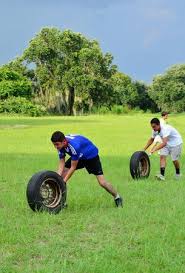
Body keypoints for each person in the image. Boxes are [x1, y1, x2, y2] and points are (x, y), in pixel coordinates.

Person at [51, 131, 123, 207]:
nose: (56, 147)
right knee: (61, 176)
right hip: (79, 156)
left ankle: (117, 197)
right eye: (54, 145)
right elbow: (62, 162)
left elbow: (73, 167)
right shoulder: (61, 144)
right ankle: (62, 203)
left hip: (91, 157)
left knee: (102, 182)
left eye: (57, 144)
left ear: (64, 141)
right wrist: (58, 178)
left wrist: (63, 181)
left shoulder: (74, 146)